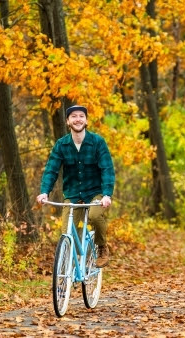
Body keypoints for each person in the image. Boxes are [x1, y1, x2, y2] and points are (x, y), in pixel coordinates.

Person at [37, 105, 115, 268]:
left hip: (95, 193)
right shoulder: (61, 145)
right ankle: (67, 270)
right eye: (73, 116)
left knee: (94, 216)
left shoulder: (97, 142)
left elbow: (107, 169)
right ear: (68, 121)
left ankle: (102, 247)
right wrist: (44, 192)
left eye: (81, 116)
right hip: (72, 194)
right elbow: (51, 169)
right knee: (67, 233)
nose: (77, 119)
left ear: (86, 120)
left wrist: (107, 194)